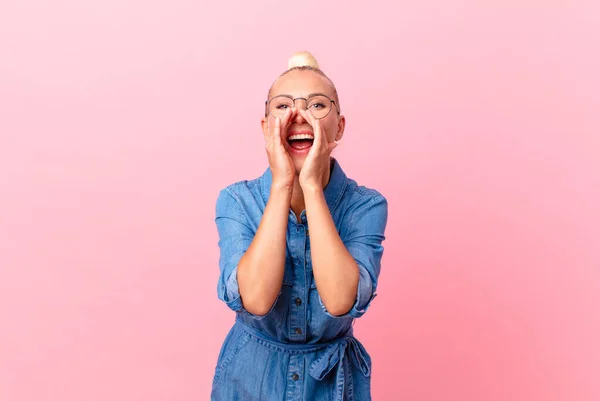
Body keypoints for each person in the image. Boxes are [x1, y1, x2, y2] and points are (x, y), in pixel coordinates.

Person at [211, 51, 388, 401]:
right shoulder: (236, 201)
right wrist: (282, 184)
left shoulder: (366, 205)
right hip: (250, 378)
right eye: (283, 106)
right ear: (266, 128)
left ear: (339, 126)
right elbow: (257, 301)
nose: (298, 115)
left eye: (317, 105)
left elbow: (339, 301)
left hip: (332, 385)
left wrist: (310, 186)